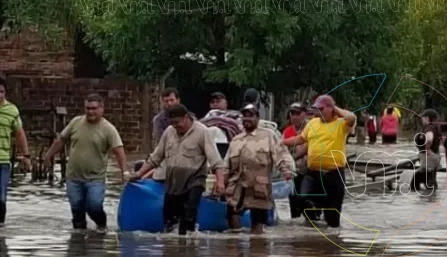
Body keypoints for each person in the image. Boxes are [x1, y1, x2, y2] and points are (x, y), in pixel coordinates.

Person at [130, 104, 225, 235]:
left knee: (188, 220)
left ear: (186, 117)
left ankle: (189, 248)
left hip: (194, 182)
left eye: (177, 122)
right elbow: (156, 158)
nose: (175, 126)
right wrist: (139, 174)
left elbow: (216, 161)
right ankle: (172, 252)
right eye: (172, 123)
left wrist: (220, 182)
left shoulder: (202, 132)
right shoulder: (169, 132)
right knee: (169, 224)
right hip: (173, 183)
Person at [44, 93, 127, 230]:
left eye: (94, 108)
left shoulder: (108, 129)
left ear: (102, 109)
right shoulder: (76, 122)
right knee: (77, 210)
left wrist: (125, 171)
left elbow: (119, 151)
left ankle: (102, 227)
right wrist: (49, 155)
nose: (90, 112)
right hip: (73, 177)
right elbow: (61, 140)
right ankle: (78, 243)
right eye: (87, 108)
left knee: (94, 206)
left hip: (95, 178)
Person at [283, 95, 356, 228]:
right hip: (313, 174)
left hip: (334, 174)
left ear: (330, 109)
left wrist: (335, 108)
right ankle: (314, 226)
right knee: (301, 198)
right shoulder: (312, 123)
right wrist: (281, 142)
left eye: (321, 109)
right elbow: (300, 139)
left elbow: (352, 117)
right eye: (316, 109)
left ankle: (328, 243)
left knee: (332, 219)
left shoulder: (341, 124)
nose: (318, 112)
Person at [224, 104, 293, 234]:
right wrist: (220, 182)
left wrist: (287, 170)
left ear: (257, 118)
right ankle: (235, 245)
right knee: (232, 216)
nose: (247, 119)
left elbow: (281, 154)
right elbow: (226, 165)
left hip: (259, 187)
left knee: (257, 225)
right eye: (245, 116)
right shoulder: (236, 140)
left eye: (251, 116)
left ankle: (257, 249)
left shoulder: (268, 136)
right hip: (237, 187)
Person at [0, 77, 31, 227]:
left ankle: (1, 228)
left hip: (3, 161)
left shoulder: (11, 110)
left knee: (1, 198)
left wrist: (26, 155)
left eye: (1, 92)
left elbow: (19, 134)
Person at [282, 103, 316, 221]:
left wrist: (293, 157)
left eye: (298, 113)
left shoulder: (312, 128)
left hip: (311, 172)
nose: (295, 117)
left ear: (304, 114)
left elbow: (308, 146)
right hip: (293, 172)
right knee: (294, 203)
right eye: (292, 113)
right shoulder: (287, 132)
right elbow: (282, 150)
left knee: (308, 202)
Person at [411, 109, 442, 192]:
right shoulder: (436, 127)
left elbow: (429, 139)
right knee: (430, 178)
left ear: (428, 118)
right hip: (435, 155)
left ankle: (425, 198)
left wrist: (427, 149)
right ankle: (431, 197)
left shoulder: (429, 127)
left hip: (428, 156)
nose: (422, 119)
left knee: (419, 178)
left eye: (423, 117)